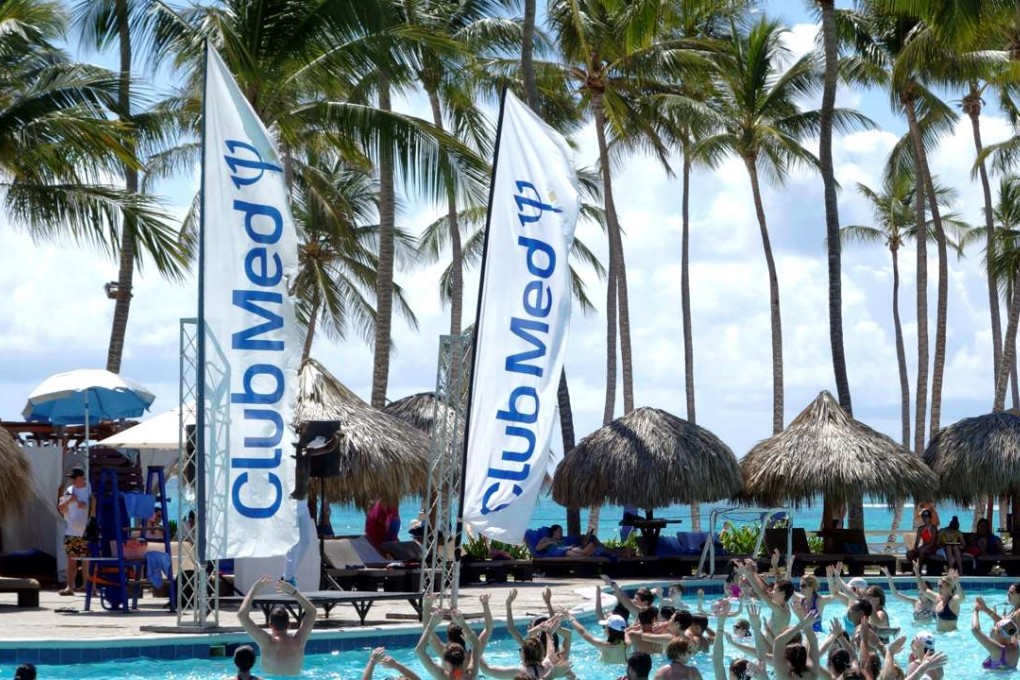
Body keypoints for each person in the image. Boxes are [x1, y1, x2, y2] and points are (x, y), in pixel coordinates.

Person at [237, 576, 316, 676]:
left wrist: (254, 588)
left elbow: (241, 615)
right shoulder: (299, 641)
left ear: (270, 625)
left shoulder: (266, 642)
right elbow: (312, 612)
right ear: (289, 625)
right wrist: (293, 592)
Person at [57, 466, 90, 596]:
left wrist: (84, 505)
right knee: (71, 559)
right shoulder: (69, 490)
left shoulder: (89, 489)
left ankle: (86, 585)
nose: (72, 481)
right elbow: (60, 507)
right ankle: (70, 586)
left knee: (87, 559)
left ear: (81, 478)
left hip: (86, 530)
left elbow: (94, 505)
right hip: (71, 530)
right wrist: (70, 501)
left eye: (74, 478)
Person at [972, 597, 1020, 671]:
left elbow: (975, 630)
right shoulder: (1014, 642)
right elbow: (1005, 625)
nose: (992, 628)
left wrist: (975, 611)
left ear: (1000, 635)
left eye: (995, 628)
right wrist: (986, 609)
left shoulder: (997, 650)